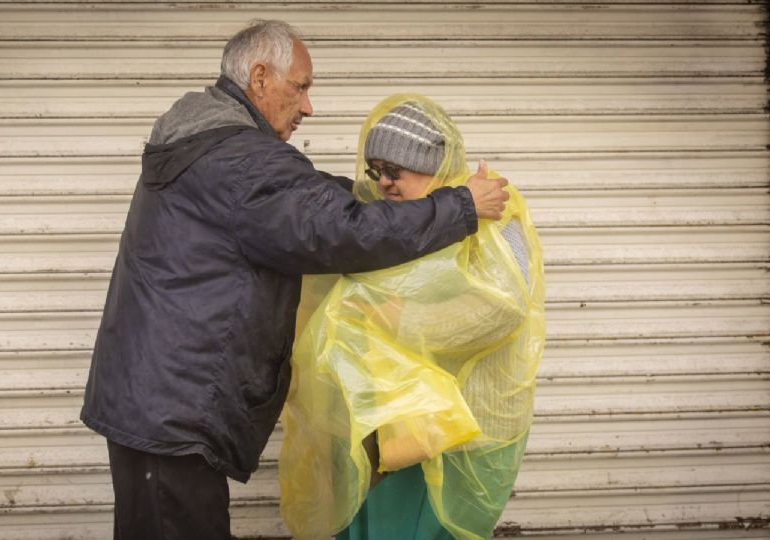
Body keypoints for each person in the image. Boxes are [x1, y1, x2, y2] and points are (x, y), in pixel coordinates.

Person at [80, 20, 510, 540]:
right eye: (301, 86)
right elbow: (339, 231)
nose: (309, 106)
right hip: (172, 407)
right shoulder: (241, 162)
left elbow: (307, 197)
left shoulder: (213, 146)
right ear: (260, 78)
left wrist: (386, 196)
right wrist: (461, 205)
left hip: (158, 397)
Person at [278, 94, 546, 540]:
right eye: (376, 172)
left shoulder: (495, 215)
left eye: (394, 171)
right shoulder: (390, 222)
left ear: (430, 163)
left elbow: (504, 306)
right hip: (390, 429)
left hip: (459, 430)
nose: (383, 183)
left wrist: (402, 318)